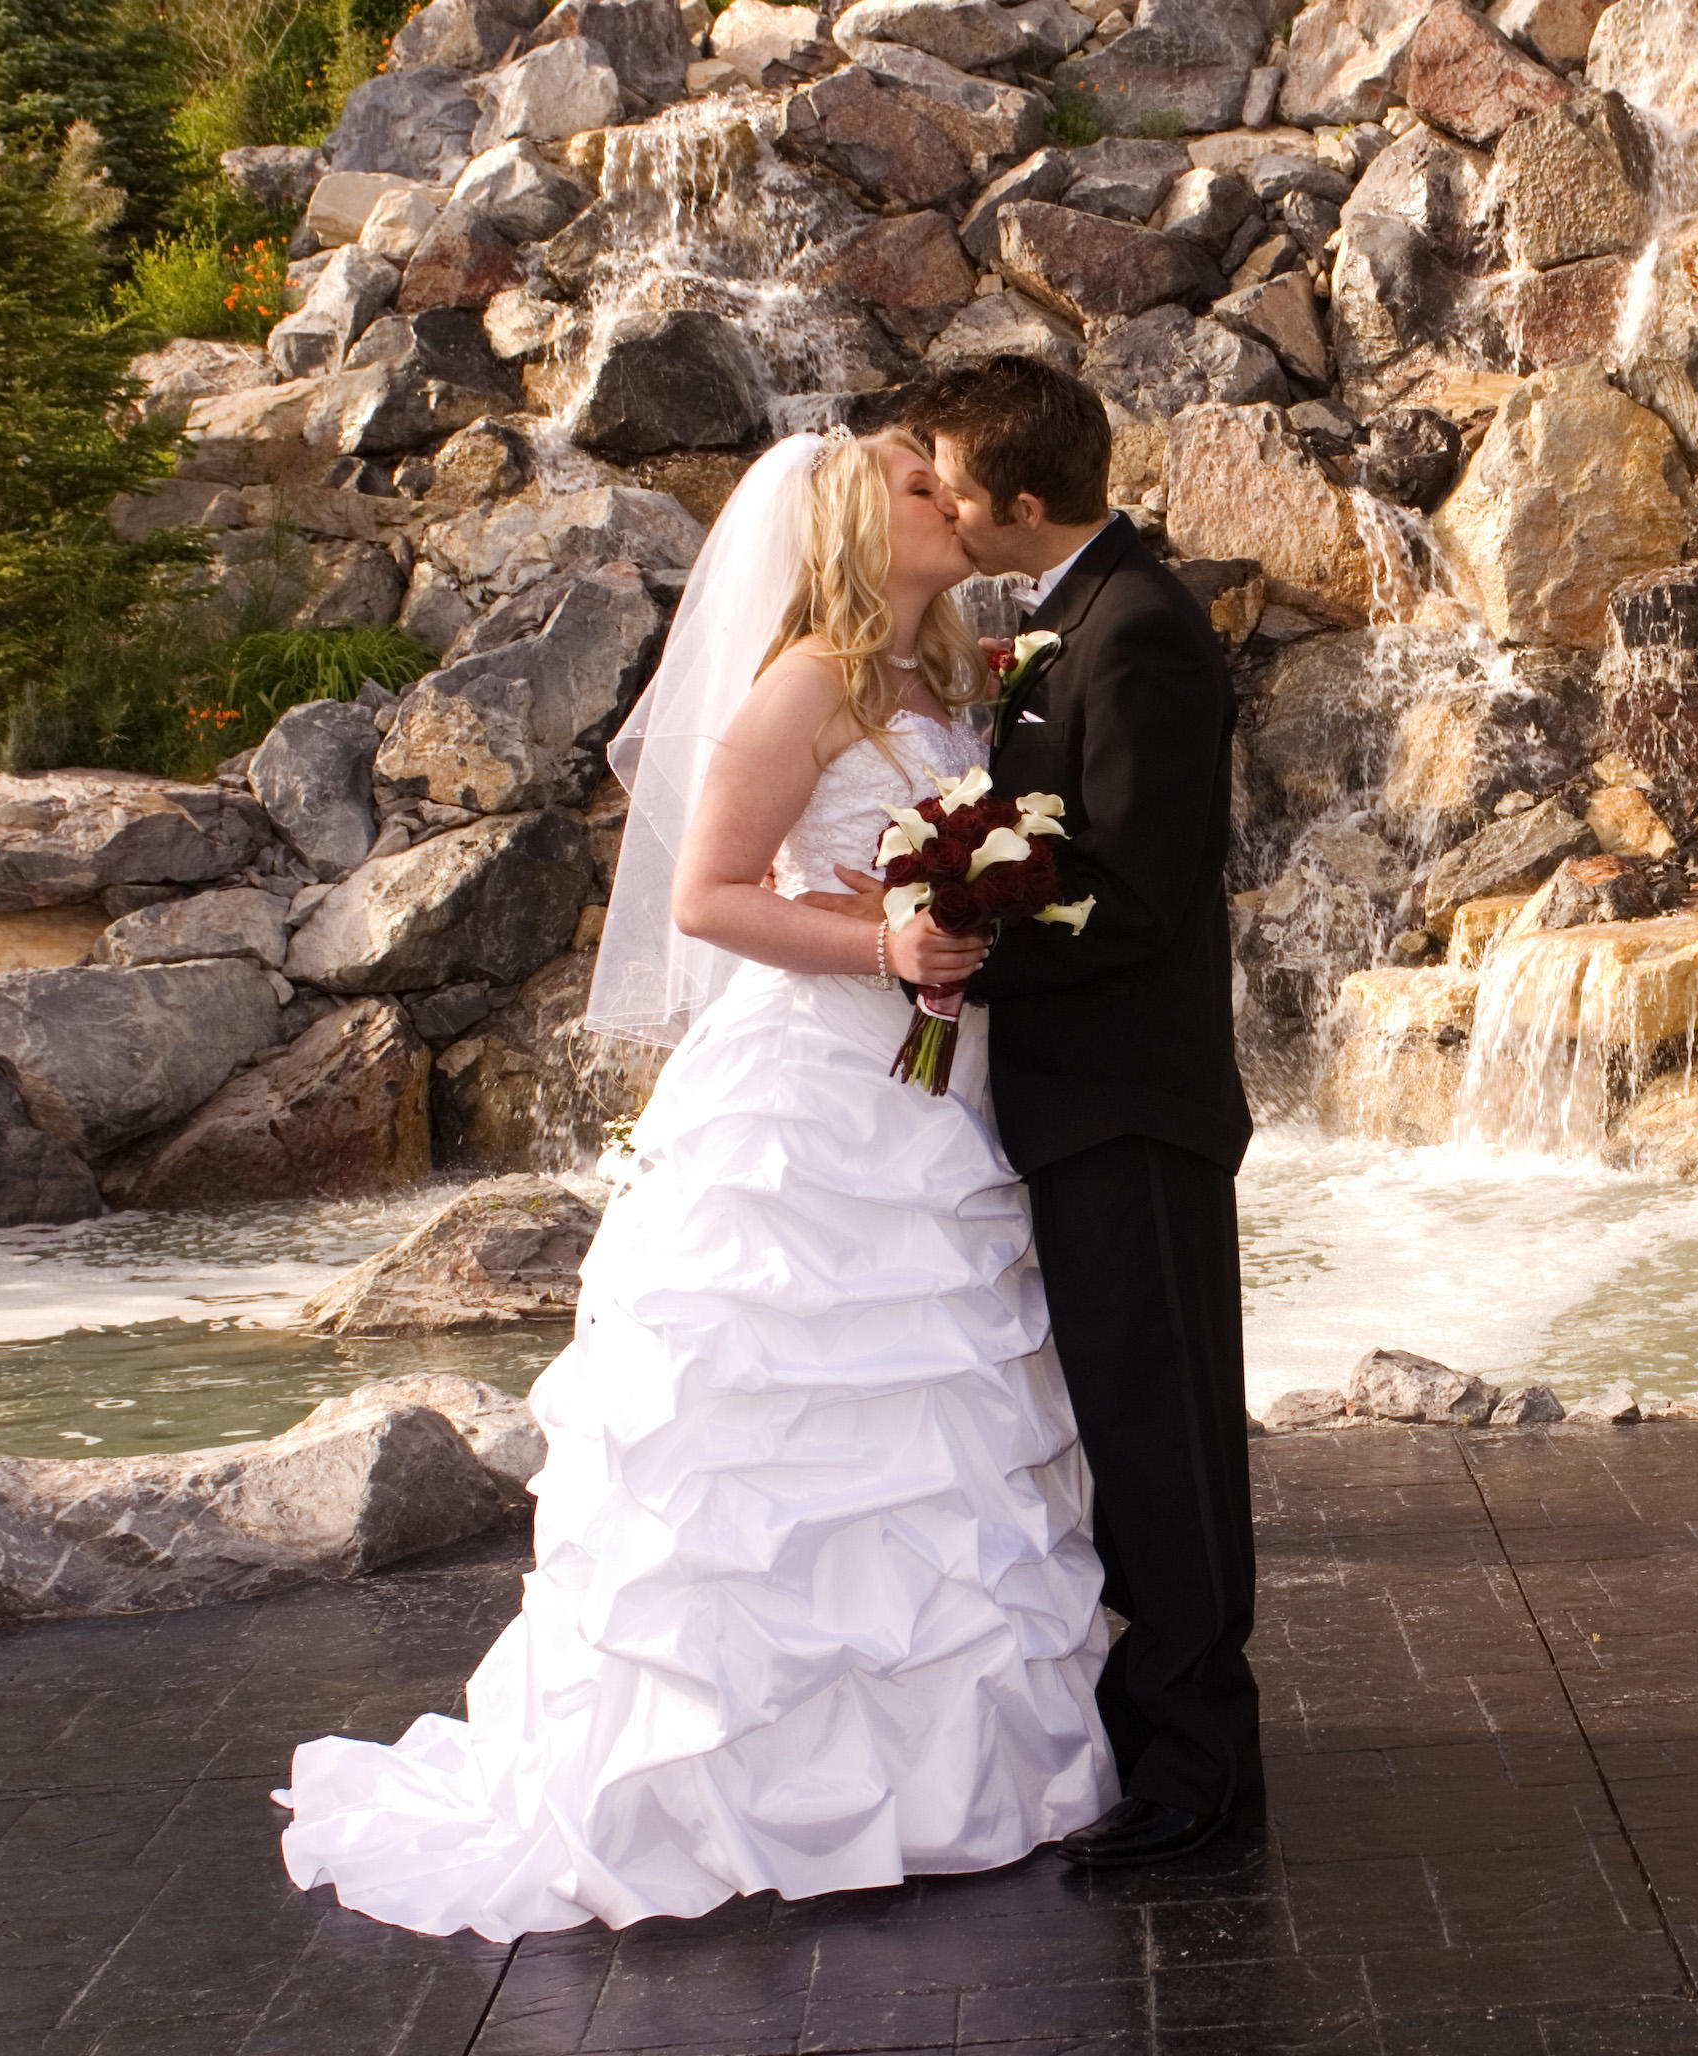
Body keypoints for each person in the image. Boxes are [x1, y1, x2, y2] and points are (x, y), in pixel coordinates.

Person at [273, 427, 1119, 1941]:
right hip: (807, 1108)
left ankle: (941, 1774)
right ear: (856, 530)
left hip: (930, 1105)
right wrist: (885, 944)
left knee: (926, 1420)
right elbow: (705, 895)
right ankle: (723, 1784)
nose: (952, 499)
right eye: (919, 488)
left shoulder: (947, 680)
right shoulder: (804, 681)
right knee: (770, 1436)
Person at [913, 355, 1263, 1867]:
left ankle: (1199, 1773)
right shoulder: (1078, 620)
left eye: (953, 486)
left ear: (1024, 504)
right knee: (1124, 1423)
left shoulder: (1139, 637)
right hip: (1083, 1103)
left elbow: (1135, 894)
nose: (940, 504)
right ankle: (1167, 1735)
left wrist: (966, 936)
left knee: (1165, 1436)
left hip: (1134, 1105)